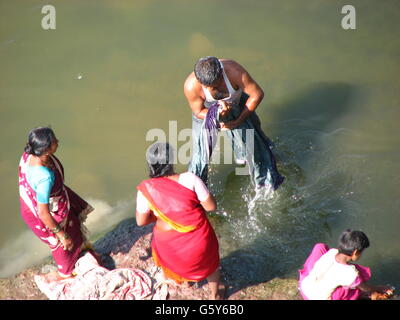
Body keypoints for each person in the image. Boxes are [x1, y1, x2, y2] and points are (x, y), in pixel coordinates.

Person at [135, 142, 223, 299]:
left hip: (170, 248)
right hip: (198, 242)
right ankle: (215, 295)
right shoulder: (190, 179)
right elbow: (211, 207)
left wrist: (161, 213)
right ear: (172, 160)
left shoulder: (146, 189)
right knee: (211, 267)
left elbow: (141, 221)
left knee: (172, 262)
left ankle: (186, 280)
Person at [184, 56, 284, 189]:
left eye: (217, 84)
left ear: (221, 74)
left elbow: (257, 94)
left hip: (237, 104)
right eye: (209, 87)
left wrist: (238, 120)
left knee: (254, 141)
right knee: (200, 155)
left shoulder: (234, 71)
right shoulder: (191, 86)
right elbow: (198, 111)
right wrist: (217, 115)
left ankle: (265, 170)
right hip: (206, 113)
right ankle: (195, 189)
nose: (213, 90)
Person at [19, 127, 96, 282]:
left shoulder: (30, 154)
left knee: (73, 227)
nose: (58, 142)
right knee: (64, 244)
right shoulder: (43, 177)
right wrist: (62, 235)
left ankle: (77, 250)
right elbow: (43, 213)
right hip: (47, 211)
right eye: (54, 142)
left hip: (45, 199)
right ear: (46, 151)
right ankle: (65, 272)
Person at [298, 229, 394, 300]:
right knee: (355, 288)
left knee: (320, 247)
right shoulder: (351, 272)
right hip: (315, 298)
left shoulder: (332, 252)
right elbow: (365, 288)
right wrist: (379, 288)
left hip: (304, 286)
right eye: (361, 252)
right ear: (355, 253)